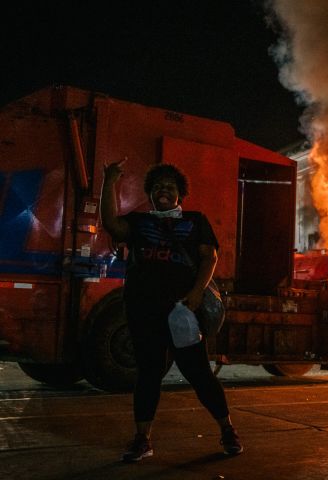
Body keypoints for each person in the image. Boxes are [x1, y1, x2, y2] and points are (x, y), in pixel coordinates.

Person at [101, 159, 243, 462]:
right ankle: (142, 440)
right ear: (150, 194)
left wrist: (194, 295)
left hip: (182, 313)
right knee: (148, 374)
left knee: (199, 374)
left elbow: (210, 258)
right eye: (158, 187)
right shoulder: (139, 223)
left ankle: (227, 430)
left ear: (181, 195)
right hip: (144, 312)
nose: (164, 190)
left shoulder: (195, 221)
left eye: (170, 187)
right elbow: (111, 224)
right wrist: (109, 181)